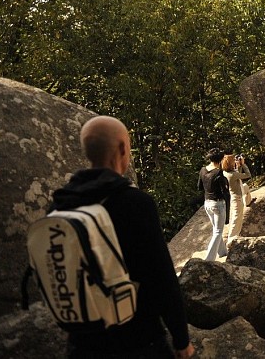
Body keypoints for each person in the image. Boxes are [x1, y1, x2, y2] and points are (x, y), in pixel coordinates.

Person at [50, 116, 194, 358]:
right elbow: (161, 277)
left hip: (82, 342)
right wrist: (181, 339)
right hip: (137, 339)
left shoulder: (60, 205)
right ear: (122, 148)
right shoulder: (134, 203)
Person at [198, 148, 229, 261]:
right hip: (218, 203)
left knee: (216, 228)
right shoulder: (218, 172)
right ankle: (209, 259)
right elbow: (224, 190)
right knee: (218, 231)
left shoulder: (202, 170)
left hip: (207, 203)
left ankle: (223, 252)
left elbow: (199, 187)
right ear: (220, 159)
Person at [221, 154, 251, 247]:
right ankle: (231, 240)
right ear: (230, 163)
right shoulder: (233, 174)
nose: (235, 161)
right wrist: (244, 164)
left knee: (246, 187)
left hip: (233, 196)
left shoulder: (225, 173)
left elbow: (238, 177)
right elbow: (247, 175)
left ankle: (248, 201)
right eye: (233, 160)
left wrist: (238, 167)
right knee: (236, 218)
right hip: (237, 198)